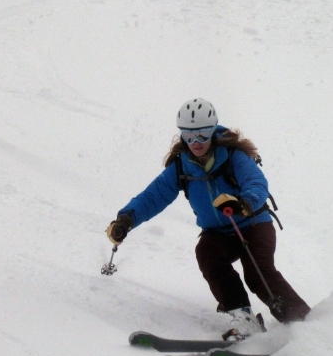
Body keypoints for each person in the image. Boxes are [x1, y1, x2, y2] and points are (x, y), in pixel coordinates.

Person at [106, 98, 311, 340]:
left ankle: (303, 324)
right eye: (189, 136)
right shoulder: (181, 167)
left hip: (253, 223)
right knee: (207, 253)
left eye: (202, 135)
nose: (196, 143)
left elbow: (256, 183)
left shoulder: (233, 156)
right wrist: (126, 219)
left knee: (257, 273)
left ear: (213, 130)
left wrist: (243, 203)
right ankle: (244, 318)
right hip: (218, 233)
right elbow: (153, 197)